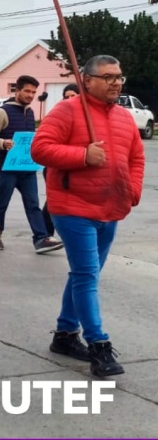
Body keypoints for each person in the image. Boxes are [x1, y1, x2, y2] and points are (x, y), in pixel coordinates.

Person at [31, 55, 144, 377]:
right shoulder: (67, 110)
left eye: (119, 76)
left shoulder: (123, 117)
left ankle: (65, 334)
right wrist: (83, 155)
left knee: (84, 275)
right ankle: (99, 344)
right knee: (86, 275)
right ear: (86, 80)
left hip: (111, 208)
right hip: (73, 207)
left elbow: (135, 157)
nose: (116, 82)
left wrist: (132, 190)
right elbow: (40, 148)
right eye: (108, 77)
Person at [0, 75, 63, 254]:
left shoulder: (30, 112)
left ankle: (41, 239)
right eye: (27, 91)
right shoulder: (3, 112)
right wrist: (2, 143)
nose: (30, 95)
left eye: (33, 92)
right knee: (2, 203)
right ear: (17, 91)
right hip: (6, 167)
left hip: (27, 168)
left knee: (33, 203)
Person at [41, 83, 81, 238]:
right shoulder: (57, 115)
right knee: (54, 200)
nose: (69, 99)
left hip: (77, 166)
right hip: (56, 166)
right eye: (66, 96)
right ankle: (45, 234)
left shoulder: (86, 117)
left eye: (73, 96)